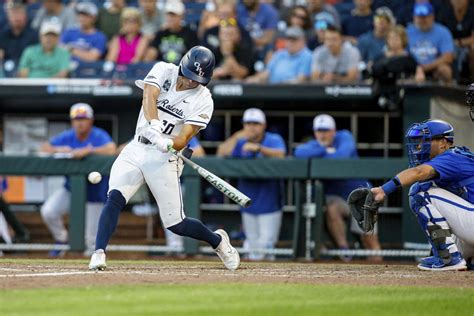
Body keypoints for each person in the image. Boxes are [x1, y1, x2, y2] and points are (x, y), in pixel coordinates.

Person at [88, 46, 240, 271]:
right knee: (115, 198)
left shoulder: (204, 100)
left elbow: (185, 137)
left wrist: (167, 143)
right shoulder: (164, 70)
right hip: (136, 148)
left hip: (164, 157)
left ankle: (218, 241)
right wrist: (154, 125)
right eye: (189, 76)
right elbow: (149, 94)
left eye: (197, 79)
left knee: (176, 224)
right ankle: (99, 253)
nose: (191, 82)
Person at [371, 119, 474, 271]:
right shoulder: (453, 158)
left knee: (420, 191)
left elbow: (418, 172)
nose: (419, 146)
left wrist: (383, 190)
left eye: (425, 141)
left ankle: (449, 258)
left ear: (443, 143)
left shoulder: (451, 157)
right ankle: (447, 254)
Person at [294, 114, 382, 261]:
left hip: (361, 195)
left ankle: (381, 271)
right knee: (332, 207)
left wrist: (320, 154)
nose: (322, 134)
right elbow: (299, 153)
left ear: (333, 130)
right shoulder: (316, 144)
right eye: (319, 131)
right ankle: (344, 250)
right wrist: (324, 149)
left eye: (326, 131)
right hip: (338, 197)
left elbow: (342, 155)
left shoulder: (344, 136)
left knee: (369, 242)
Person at [39, 103, 116, 256]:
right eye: (76, 119)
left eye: (83, 119)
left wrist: (90, 150)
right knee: (48, 211)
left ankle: (90, 275)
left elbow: (111, 149)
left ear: (91, 120)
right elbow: (44, 148)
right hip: (71, 189)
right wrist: (60, 149)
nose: (80, 122)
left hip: (95, 192)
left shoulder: (98, 135)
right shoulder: (68, 136)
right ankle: (61, 239)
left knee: (91, 242)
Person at [216, 108, 286, 260]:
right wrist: (237, 136)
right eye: (248, 123)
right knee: (254, 248)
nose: (252, 127)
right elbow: (221, 152)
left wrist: (260, 148)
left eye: (256, 123)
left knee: (267, 247)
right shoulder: (240, 141)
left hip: (270, 204)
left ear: (263, 125)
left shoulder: (273, 139)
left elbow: (281, 154)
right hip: (247, 203)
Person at [407, 2, 454, 84]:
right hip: (412, 68)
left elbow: (448, 57)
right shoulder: (407, 31)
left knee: (445, 70)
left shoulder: (442, 31)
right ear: (414, 17)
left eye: (425, 17)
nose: (422, 20)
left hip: (433, 67)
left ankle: (445, 95)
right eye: (419, 17)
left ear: (432, 17)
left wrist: (425, 67)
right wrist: (415, 68)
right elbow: (401, 53)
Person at [246, 26, 312, 83]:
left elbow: (301, 79)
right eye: (288, 39)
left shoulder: (307, 55)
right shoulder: (280, 53)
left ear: (303, 41)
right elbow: (266, 73)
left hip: (294, 93)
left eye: (294, 40)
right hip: (273, 91)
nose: (290, 43)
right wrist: (254, 79)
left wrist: (282, 85)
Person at [144, 1, 198, 65]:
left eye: (174, 15)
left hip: (181, 69)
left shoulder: (190, 33)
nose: (170, 18)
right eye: (168, 15)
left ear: (182, 16)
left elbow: (193, 57)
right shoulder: (161, 33)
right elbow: (151, 54)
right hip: (162, 68)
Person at [0, 1, 38, 67]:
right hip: (6, 67)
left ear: (25, 15)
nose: (16, 18)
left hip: (27, 68)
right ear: (8, 17)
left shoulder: (34, 35)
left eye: (19, 13)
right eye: (13, 14)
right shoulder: (3, 34)